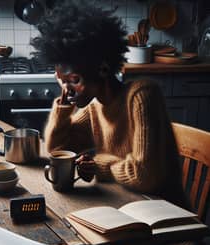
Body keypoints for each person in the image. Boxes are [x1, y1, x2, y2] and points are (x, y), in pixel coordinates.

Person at [31, 0, 185, 206]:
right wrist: (63, 106)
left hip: (166, 215)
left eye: (74, 80)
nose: (67, 89)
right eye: (62, 80)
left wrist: (98, 165)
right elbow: (58, 150)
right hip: (123, 204)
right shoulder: (95, 106)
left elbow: (144, 175)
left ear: (102, 69)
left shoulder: (141, 95)